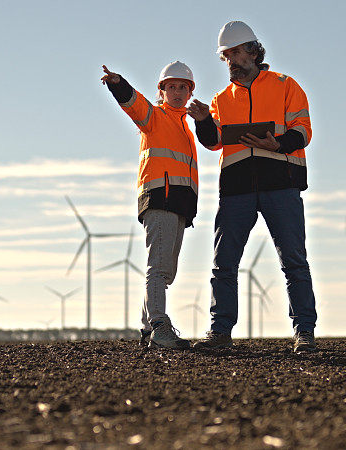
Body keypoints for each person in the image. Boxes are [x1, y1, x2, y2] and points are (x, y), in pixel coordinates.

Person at [187, 21, 317, 352]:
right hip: (236, 191)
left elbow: (303, 130)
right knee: (224, 263)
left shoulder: (286, 85)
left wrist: (278, 144)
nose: (231, 59)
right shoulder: (220, 99)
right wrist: (203, 118)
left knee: (294, 261)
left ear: (254, 52)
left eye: (236, 52)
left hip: (281, 185)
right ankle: (220, 333)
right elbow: (213, 142)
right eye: (226, 55)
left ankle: (304, 332)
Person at [101, 62, 199, 349]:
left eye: (183, 87)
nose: (178, 92)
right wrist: (119, 84)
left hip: (179, 203)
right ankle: (159, 324)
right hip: (160, 198)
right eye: (172, 86)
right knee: (158, 266)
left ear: (190, 92)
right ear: (162, 90)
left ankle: (148, 329)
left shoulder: (186, 127)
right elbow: (134, 104)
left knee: (166, 270)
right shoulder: (154, 117)